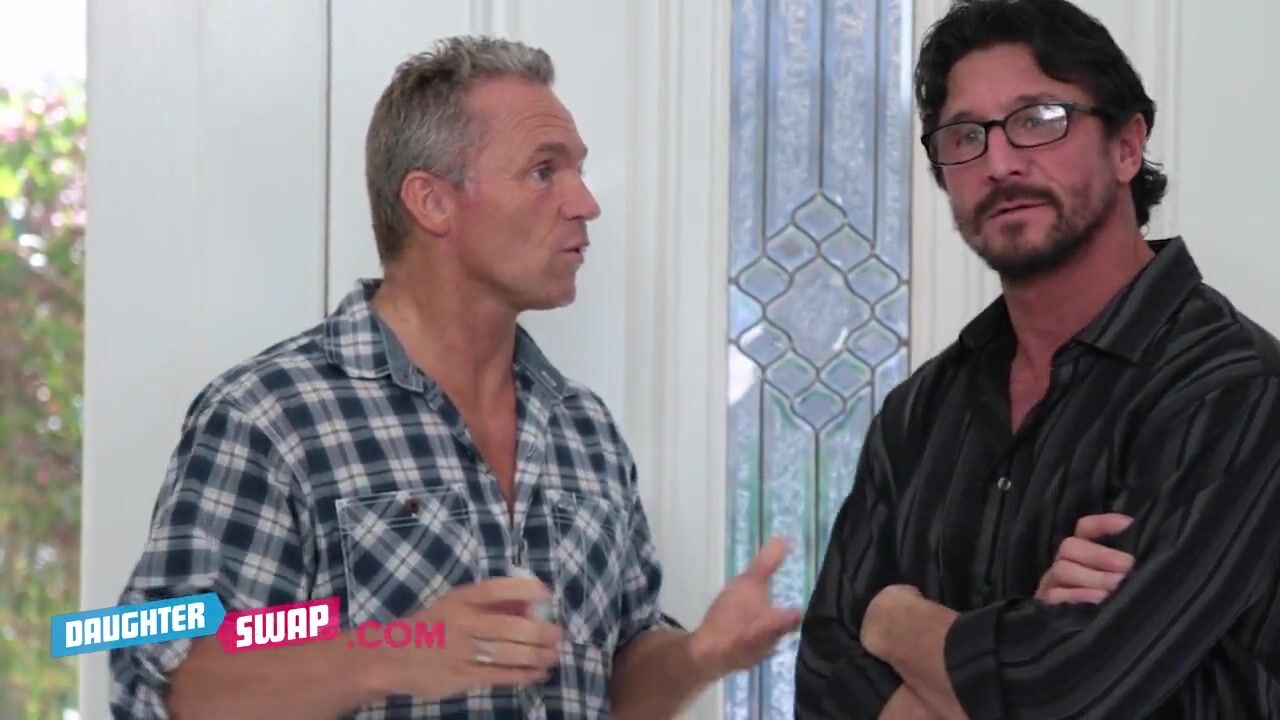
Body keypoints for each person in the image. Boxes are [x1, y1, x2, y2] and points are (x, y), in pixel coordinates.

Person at [109, 36, 802, 719]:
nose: (585, 203)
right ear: (432, 201)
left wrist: (696, 657)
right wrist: (394, 651)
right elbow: (164, 674)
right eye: (544, 171)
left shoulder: (584, 429)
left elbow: (615, 677)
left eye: (578, 170)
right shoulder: (269, 416)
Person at [794, 0, 1280, 718]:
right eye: (965, 136)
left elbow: (1073, 694)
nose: (999, 163)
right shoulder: (921, 410)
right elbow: (822, 680)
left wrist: (894, 619)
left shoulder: (1236, 392)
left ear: (1127, 146)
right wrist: (1025, 646)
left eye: (1039, 119)